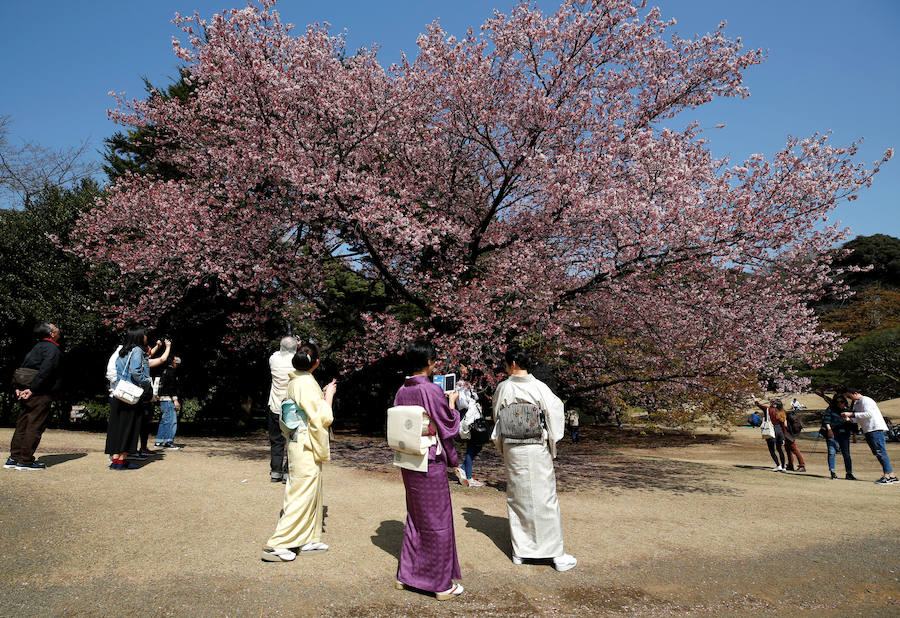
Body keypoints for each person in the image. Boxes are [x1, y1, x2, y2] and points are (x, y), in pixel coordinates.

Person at [492, 345, 577, 572]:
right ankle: (555, 554)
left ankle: (521, 551)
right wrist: (552, 439)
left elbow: (496, 416)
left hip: (513, 448)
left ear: (513, 364)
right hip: (535, 447)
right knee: (545, 498)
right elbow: (555, 413)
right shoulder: (540, 388)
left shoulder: (503, 388)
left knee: (517, 497)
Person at [393, 340, 464, 600]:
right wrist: (453, 404)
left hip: (408, 460)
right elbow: (448, 426)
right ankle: (440, 583)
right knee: (438, 522)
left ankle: (408, 575)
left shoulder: (402, 390)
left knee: (416, 518)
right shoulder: (430, 390)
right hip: (429, 460)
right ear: (429, 363)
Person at [261, 341, 336, 561]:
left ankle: (308, 537)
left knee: (311, 489)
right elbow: (323, 416)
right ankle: (279, 543)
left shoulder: (297, 379)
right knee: (302, 491)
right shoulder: (305, 382)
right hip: (305, 442)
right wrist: (329, 395)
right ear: (316, 363)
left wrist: (321, 398)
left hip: (299, 440)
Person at [5, 322, 63, 471]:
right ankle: (25, 461)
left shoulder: (36, 347)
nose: (58, 330)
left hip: (25, 390)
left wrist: (18, 387)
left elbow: (23, 369)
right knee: (35, 426)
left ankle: (14, 457)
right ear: (51, 333)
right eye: (55, 328)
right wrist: (32, 389)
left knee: (22, 424)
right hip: (40, 393)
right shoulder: (52, 349)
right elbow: (46, 371)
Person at [106, 327, 153, 470]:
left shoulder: (122, 351)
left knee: (117, 427)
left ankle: (115, 460)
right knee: (130, 427)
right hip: (132, 393)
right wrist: (147, 381)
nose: (146, 337)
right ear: (139, 336)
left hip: (119, 392)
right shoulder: (137, 351)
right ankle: (122, 460)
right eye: (144, 334)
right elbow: (135, 372)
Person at [841, 387, 897, 484]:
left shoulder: (866, 400)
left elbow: (869, 414)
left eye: (849, 396)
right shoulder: (857, 404)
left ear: (855, 393)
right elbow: (859, 418)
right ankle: (891, 475)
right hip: (868, 430)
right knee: (877, 452)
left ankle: (888, 476)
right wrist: (850, 419)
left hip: (875, 428)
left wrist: (851, 414)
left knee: (880, 452)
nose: (850, 399)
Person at [267, 336, 297, 483]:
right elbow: (301, 357)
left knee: (276, 441)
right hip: (291, 408)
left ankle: (275, 472)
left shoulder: (273, 360)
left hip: (274, 406)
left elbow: (280, 351)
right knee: (292, 441)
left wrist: (291, 343)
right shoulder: (296, 363)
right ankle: (287, 472)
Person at [453, 364, 485, 488]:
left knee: (477, 444)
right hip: (467, 416)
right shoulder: (459, 385)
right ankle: (468, 476)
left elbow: (475, 397)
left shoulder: (467, 384)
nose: (466, 369)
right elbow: (462, 403)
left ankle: (463, 470)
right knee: (473, 444)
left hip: (473, 416)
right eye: (463, 367)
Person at [821, 394, 855, 480]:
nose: (840, 403)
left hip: (844, 434)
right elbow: (826, 420)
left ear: (845, 402)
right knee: (832, 452)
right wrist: (829, 430)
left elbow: (853, 424)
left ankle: (849, 473)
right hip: (833, 434)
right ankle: (833, 472)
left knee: (846, 454)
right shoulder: (830, 409)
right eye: (837, 402)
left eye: (842, 402)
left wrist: (854, 435)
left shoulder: (848, 411)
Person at [154, 356, 181, 450]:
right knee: (171, 421)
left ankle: (159, 441)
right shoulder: (172, 372)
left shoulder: (164, 371)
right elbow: (171, 387)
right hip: (168, 399)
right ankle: (168, 442)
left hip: (162, 399)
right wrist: (175, 399)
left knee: (164, 420)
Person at [754, 397, 787, 472]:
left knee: (772, 449)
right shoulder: (782, 412)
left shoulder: (768, 409)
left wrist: (755, 399)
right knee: (780, 449)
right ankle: (783, 467)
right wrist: (783, 437)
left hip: (771, 430)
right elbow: (783, 425)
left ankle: (778, 465)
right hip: (780, 431)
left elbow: (758, 405)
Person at [783, 408, 806, 472]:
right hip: (791, 434)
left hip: (789, 435)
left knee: (795, 450)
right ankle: (790, 465)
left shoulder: (783, 415)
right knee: (788, 449)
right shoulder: (788, 414)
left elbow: (785, 425)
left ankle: (802, 465)